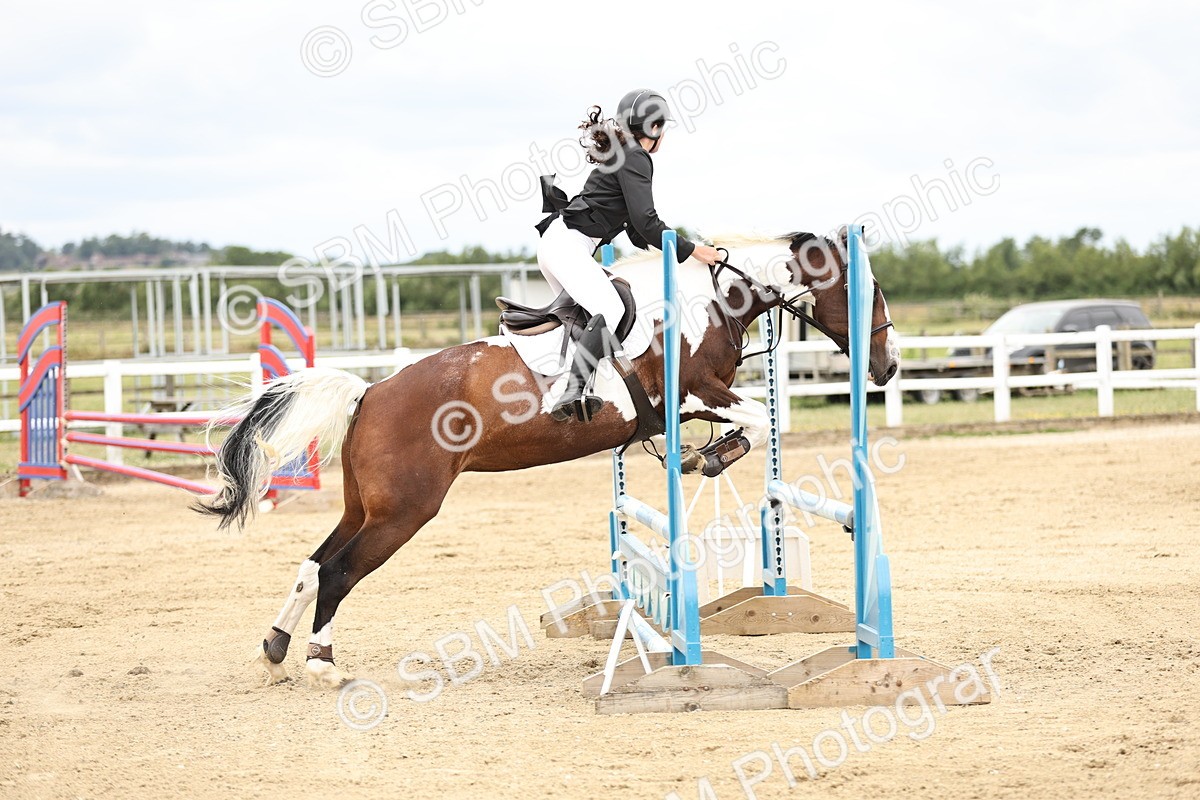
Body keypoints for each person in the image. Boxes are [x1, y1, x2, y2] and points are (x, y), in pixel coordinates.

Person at [535, 88, 721, 422]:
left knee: (587, 322)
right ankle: (572, 392)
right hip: (567, 247)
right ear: (655, 128)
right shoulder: (636, 156)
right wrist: (693, 250)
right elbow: (647, 222)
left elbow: (637, 230)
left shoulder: (623, 152)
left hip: (558, 245)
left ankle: (567, 385)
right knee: (611, 309)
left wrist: (673, 253)